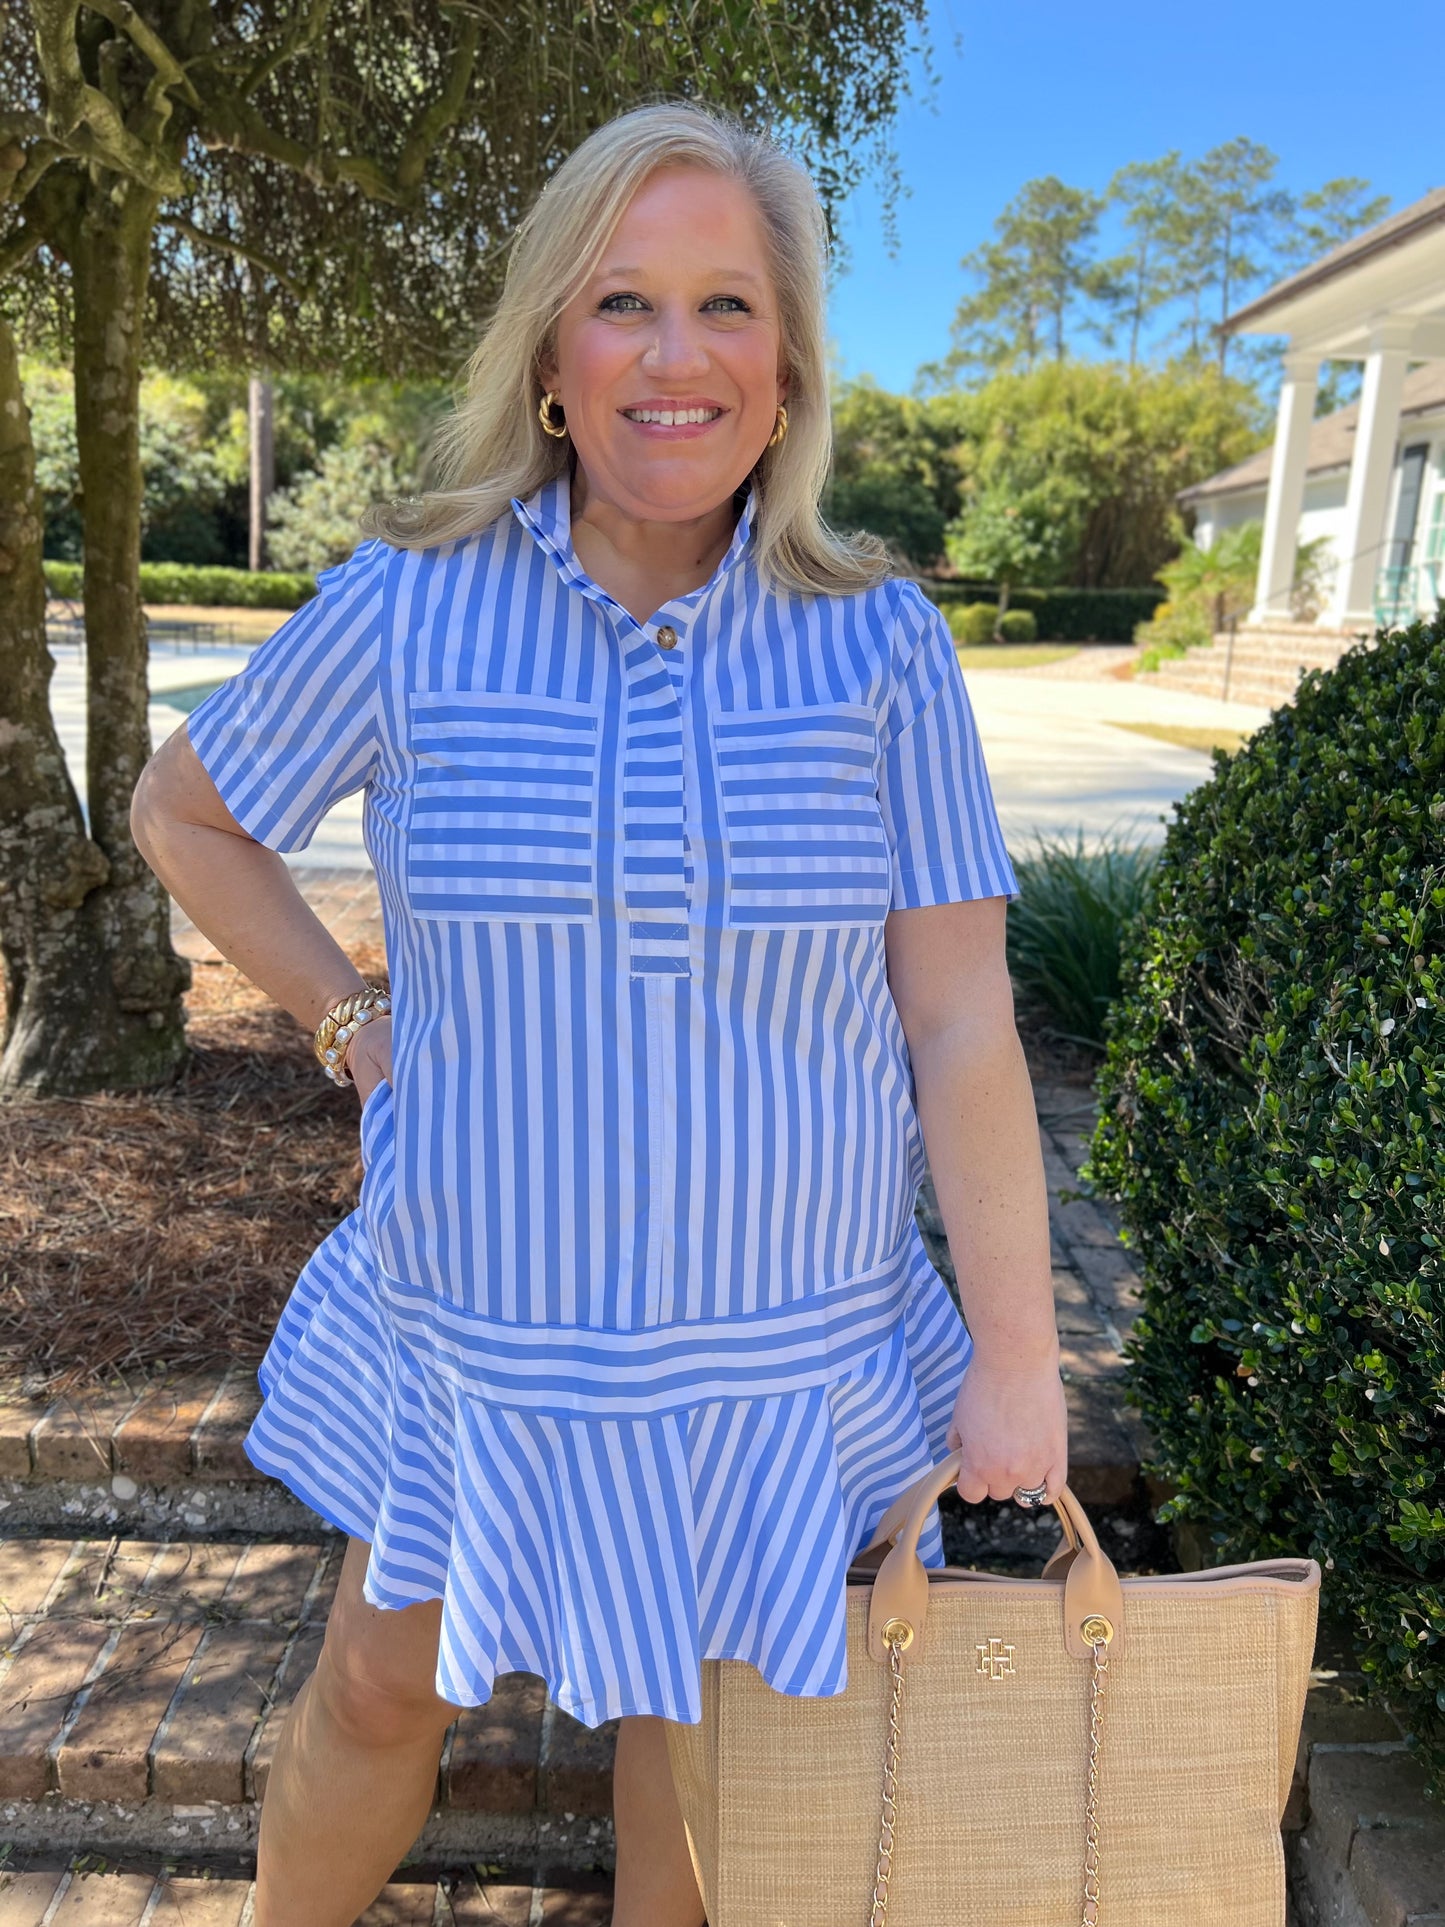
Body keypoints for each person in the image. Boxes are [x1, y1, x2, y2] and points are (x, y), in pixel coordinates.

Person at [131, 98, 1067, 1927]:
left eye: (727, 306)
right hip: (481, 1333)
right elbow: (189, 812)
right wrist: (350, 1023)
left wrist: (1015, 1367)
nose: (674, 354)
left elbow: (959, 1021)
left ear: (786, 372)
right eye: (623, 301)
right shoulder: (411, 608)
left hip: (777, 1352)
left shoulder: (879, 648)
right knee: (377, 1689)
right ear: (553, 356)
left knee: (705, 1736)